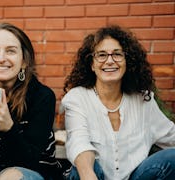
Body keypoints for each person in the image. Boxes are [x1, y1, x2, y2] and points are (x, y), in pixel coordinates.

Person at [61, 25, 175, 180]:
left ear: (127, 61)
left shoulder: (143, 100)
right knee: (83, 167)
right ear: (92, 64)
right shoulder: (77, 98)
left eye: (117, 54)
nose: (110, 61)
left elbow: (171, 136)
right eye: (101, 55)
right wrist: (88, 174)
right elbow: (78, 142)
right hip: (92, 176)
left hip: (136, 177)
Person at [0, 22, 63, 180]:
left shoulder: (42, 97)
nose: (1, 58)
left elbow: (31, 162)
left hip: (35, 172)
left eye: (10, 51)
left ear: (24, 61)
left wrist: (8, 128)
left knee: (10, 177)